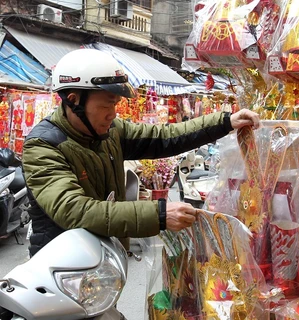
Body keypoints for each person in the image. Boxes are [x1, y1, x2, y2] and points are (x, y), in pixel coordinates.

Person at [22, 49, 260, 256]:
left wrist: (225, 122)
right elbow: (74, 209)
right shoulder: (43, 146)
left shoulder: (111, 131)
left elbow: (163, 137)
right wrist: (159, 214)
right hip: (58, 270)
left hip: (101, 267)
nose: (112, 114)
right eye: (106, 105)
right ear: (74, 101)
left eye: (115, 105)